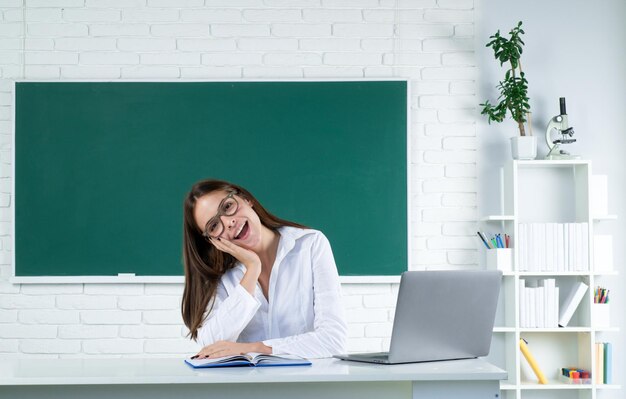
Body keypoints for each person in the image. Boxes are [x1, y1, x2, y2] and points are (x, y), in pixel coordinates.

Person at [181, 179, 347, 359]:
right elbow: (211, 346)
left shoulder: (310, 245)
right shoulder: (221, 275)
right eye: (213, 226)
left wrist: (255, 347)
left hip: (306, 383)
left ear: (246, 199)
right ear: (212, 240)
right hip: (250, 385)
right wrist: (252, 270)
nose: (229, 223)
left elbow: (333, 341)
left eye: (228, 207)